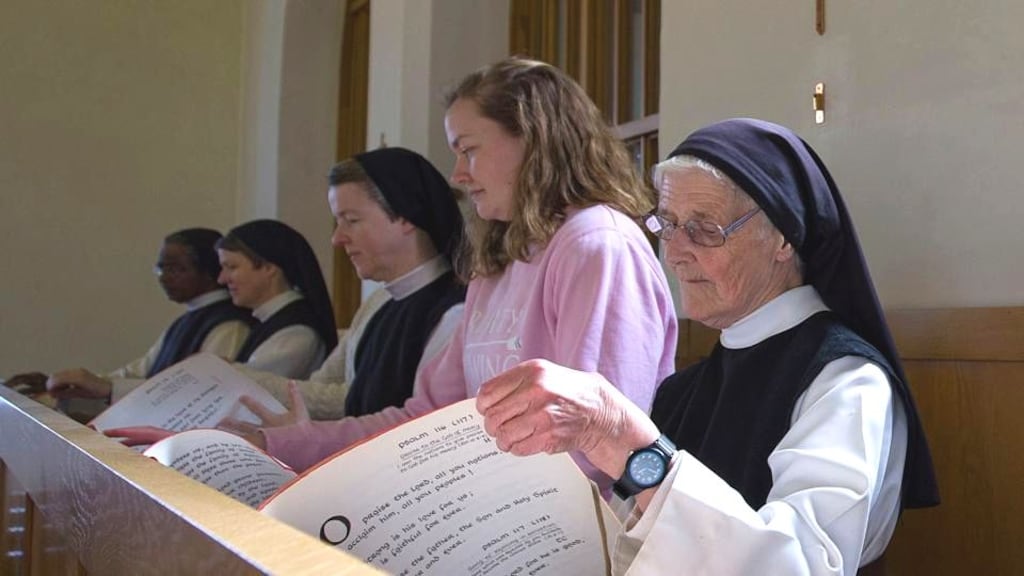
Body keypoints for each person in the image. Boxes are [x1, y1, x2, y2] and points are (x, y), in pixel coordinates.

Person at [475, 118, 940, 575]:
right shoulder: (683, 391)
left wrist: (625, 442)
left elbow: (801, 565)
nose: (675, 252)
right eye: (669, 225)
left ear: (782, 236)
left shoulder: (845, 380)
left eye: (703, 229)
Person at [225, 57, 679, 490]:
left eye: (468, 150)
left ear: (534, 138)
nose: (458, 175)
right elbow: (425, 419)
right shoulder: (498, 263)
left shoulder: (597, 245)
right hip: (486, 510)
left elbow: (596, 452)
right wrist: (280, 443)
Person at [231, 147, 467, 419]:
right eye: (337, 221)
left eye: (351, 220)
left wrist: (239, 378)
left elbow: (418, 422)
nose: (337, 238)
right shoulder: (378, 303)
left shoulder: (455, 312)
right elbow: (327, 391)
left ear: (405, 217)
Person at [9, 228, 253, 407]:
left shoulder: (229, 325)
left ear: (210, 272)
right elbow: (137, 371)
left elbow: (203, 394)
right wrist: (67, 385)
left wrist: (102, 387)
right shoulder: (187, 319)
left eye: (176, 269)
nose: (164, 277)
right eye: (161, 268)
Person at [217, 219, 338, 379]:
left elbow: (254, 385)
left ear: (269, 268)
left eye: (232, 267)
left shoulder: (297, 331)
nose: (222, 279)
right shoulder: (269, 320)